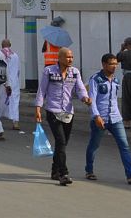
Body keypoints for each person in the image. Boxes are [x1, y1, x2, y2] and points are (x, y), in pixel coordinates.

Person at [85, 53, 131, 185]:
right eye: (111, 64)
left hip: (115, 118)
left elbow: (114, 100)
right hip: (100, 119)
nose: (114, 67)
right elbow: (92, 100)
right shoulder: (95, 79)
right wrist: (96, 116)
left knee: (124, 146)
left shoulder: (116, 80)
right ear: (103, 64)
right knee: (94, 145)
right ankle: (89, 170)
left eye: (115, 64)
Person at [35, 47, 91, 186]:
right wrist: (38, 108)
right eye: (67, 57)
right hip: (53, 110)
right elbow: (42, 90)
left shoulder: (75, 72)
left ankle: (54, 170)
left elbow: (80, 89)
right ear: (59, 58)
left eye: (71, 57)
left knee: (63, 144)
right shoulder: (49, 71)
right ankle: (63, 173)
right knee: (60, 141)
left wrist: (85, 98)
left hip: (68, 112)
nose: (70, 59)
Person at [0, 39, 21, 129]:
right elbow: (19, 70)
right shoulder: (15, 56)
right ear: (10, 45)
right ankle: (15, 122)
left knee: (0, 101)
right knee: (15, 102)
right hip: (14, 82)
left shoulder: (0, 55)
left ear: (1, 45)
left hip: (3, 81)